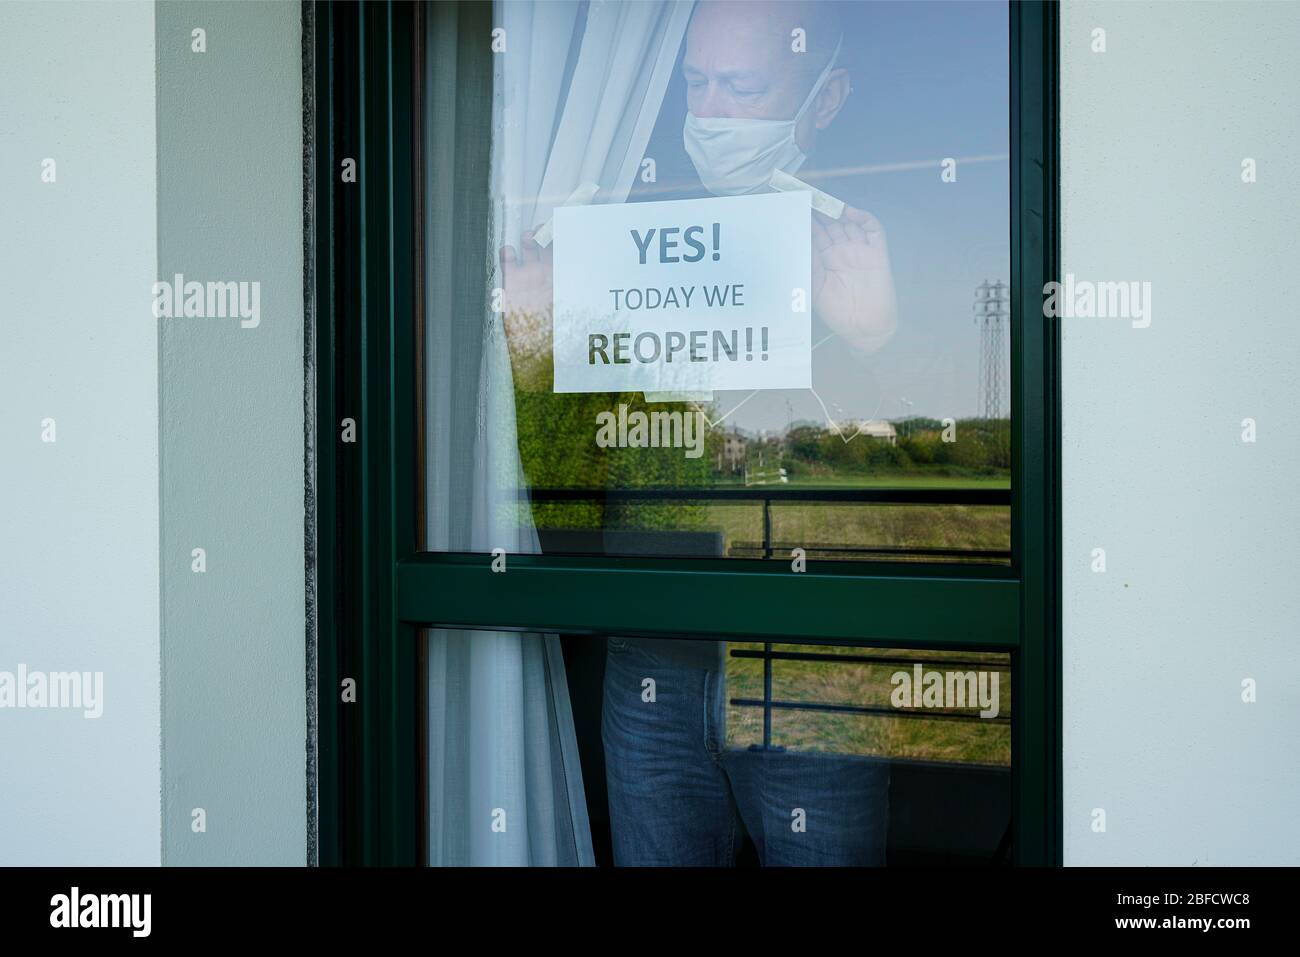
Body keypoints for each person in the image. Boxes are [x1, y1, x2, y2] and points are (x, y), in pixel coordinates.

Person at [500, 0, 893, 866]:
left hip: (810, 665)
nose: (707, 115)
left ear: (824, 100)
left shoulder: (871, 247)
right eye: (693, 82)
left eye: (741, 87)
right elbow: (567, 489)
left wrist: (877, 342)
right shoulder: (624, 244)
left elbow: (945, 490)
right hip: (653, 662)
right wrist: (534, 345)